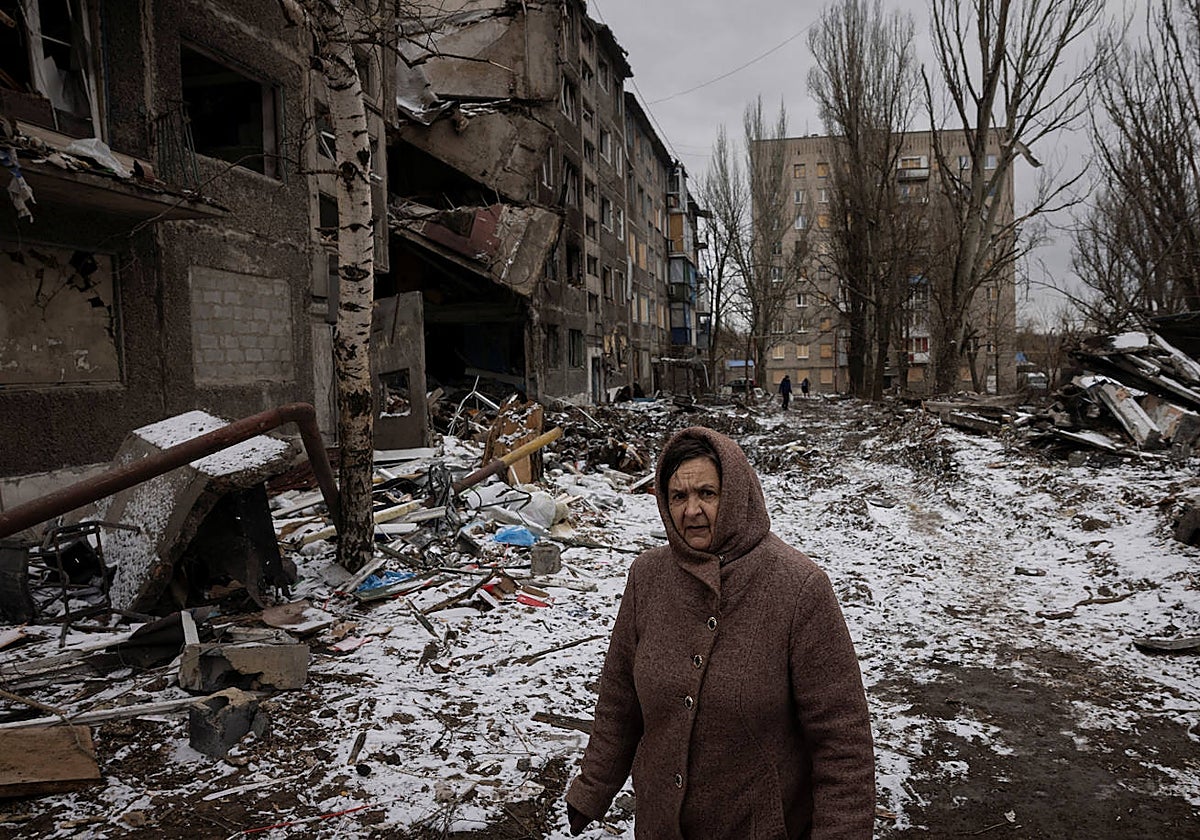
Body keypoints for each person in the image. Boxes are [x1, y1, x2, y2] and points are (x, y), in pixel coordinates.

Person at [564, 427, 875, 839]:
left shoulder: (798, 587)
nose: (691, 510)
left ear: (736, 494)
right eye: (679, 496)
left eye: (707, 494)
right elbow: (620, 700)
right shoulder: (648, 577)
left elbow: (842, 741)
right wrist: (593, 787)